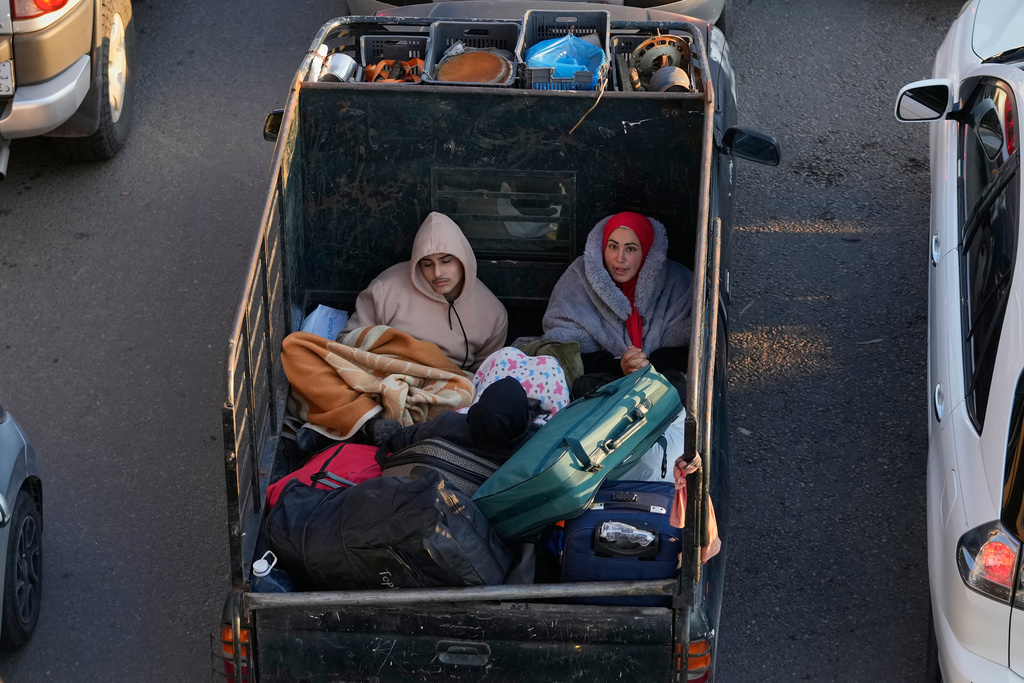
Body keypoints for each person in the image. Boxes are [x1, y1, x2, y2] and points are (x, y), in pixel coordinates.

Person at [541, 211, 693, 389]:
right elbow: (562, 352)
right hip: (593, 392)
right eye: (613, 247)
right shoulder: (577, 280)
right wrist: (619, 366)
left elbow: (689, 349)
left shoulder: (678, 283)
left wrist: (647, 365)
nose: (619, 258)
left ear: (647, 251)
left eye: (630, 249)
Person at [341, 211, 508, 373]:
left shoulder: (493, 313)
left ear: (464, 260)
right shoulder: (384, 290)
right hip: (386, 376)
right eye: (427, 264)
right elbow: (346, 344)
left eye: (446, 261)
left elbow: (485, 375)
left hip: (450, 388)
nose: (437, 273)